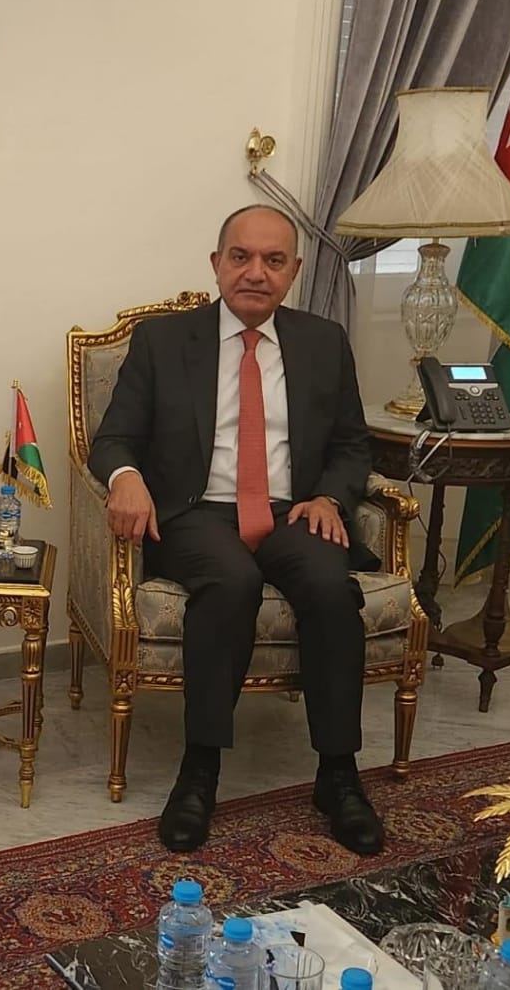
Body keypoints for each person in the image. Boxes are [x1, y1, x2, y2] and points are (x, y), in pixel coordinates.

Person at [87, 204, 384, 858]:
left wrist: (330, 497)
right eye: (241, 257)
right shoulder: (164, 342)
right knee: (231, 582)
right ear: (216, 264)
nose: (256, 272)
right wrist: (127, 477)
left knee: (331, 587)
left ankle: (338, 774)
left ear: (294, 271)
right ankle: (200, 770)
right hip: (196, 512)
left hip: (292, 510)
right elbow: (112, 440)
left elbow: (351, 444)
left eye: (273, 261)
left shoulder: (323, 341)